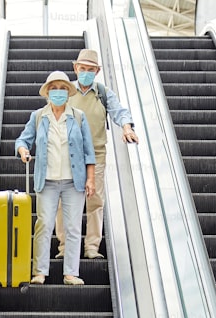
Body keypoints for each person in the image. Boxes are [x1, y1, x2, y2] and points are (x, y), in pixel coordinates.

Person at [54, 48, 139, 260]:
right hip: (67, 156)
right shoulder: (66, 92)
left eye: (90, 70)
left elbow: (120, 111)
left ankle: (92, 246)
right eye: (82, 68)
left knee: (95, 201)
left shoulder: (102, 93)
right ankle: (65, 248)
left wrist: (127, 127)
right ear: (75, 68)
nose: (85, 73)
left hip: (96, 156)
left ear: (97, 71)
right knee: (64, 203)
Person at [15, 71, 96, 286]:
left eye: (62, 88)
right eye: (53, 89)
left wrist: (90, 179)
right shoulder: (39, 116)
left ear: (68, 93)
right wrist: (23, 150)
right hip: (47, 181)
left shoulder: (78, 116)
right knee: (44, 225)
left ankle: (70, 273)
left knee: (73, 227)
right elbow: (23, 139)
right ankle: (40, 271)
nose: (58, 92)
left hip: (73, 181)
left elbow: (89, 151)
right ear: (47, 93)